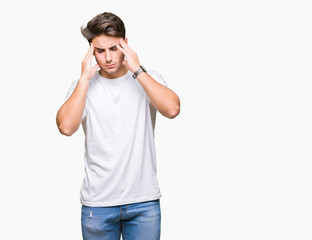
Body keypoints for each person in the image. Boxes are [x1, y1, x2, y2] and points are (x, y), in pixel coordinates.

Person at [56, 12, 180, 240]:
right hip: (99, 203)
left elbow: (172, 109)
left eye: (114, 48)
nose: (108, 57)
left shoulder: (147, 78)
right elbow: (66, 127)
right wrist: (84, 79)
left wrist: (137, 69)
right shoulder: (81, 87)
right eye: (100, 51)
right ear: (91, 51)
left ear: (125, 44)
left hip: (143, 202)